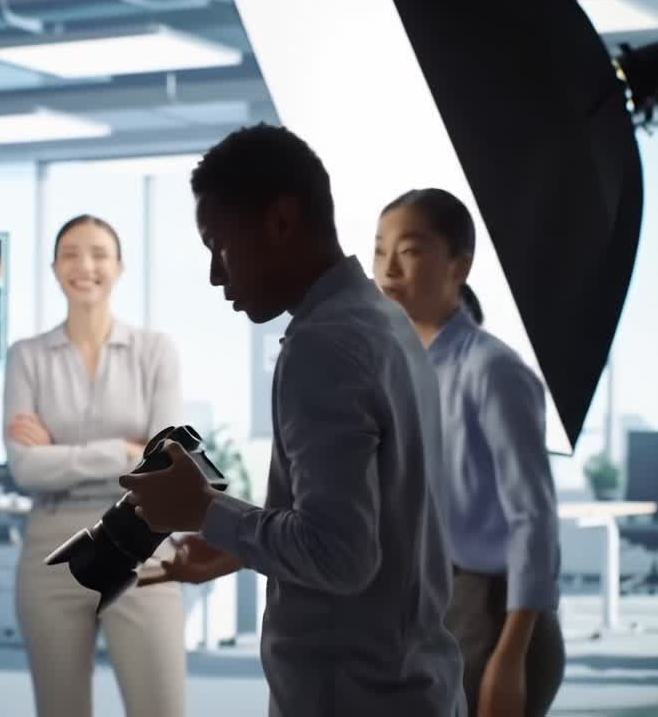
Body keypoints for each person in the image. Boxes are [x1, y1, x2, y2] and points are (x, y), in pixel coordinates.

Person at [123, 124, 464, 716]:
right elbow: (373, 527)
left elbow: (341, 556)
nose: (214, 274)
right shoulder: (385, 323)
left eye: (219, 245)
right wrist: (233, 545)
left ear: (281, 221)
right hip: (414, 684)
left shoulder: (323, 345)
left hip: (353, 696)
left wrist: (203, 510)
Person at [372, 187, 565, 717]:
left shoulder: (492, 371)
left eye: (409, 250)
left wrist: (510, 658)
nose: (388, 268)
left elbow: (534, 518)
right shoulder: (396, 370)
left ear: (459, 264)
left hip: (495, 614)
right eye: (379, 249)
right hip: (428, 605)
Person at [4, 214, 187, 717]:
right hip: (51, 551)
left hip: (141, 542)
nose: (84, 266)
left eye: (99, 254)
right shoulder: (26, 357)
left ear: (120, 267)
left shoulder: (155, 351)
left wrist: (59, 451)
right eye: (70, 254)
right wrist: (123, 451)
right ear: (54, 268)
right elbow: (24, 468)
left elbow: (165, 464)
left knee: (162, 708)